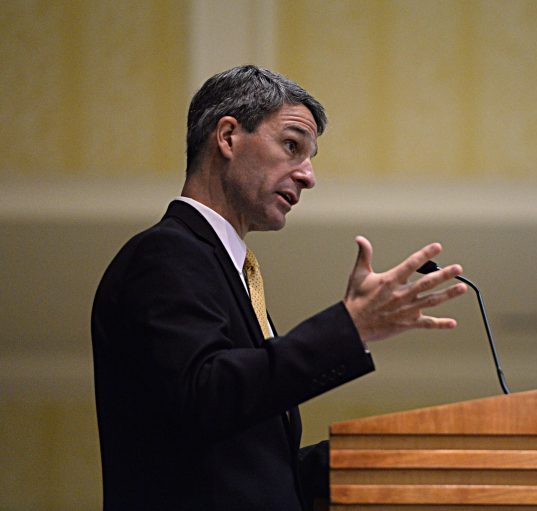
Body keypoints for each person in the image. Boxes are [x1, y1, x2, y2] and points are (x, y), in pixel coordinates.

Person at [91, 65, 467, 511]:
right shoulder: (167, 253)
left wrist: (387, 457)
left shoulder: (232, 273)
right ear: (228, 137)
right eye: (292, 146)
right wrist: (349, 328)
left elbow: (251, 470)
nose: (308, 177)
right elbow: (203, 397)